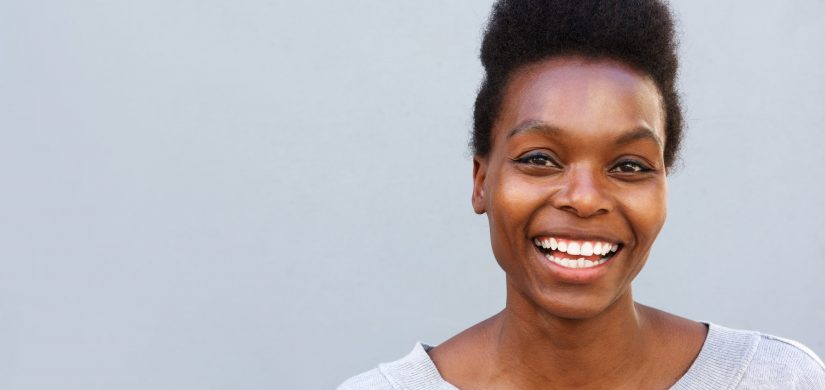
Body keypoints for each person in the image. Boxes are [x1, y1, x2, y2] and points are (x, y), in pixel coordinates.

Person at [338, 0, 825, 388]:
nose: (585, 198)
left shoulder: (778, 379)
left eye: (629, 166)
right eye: (539, 159)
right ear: (481, 180)